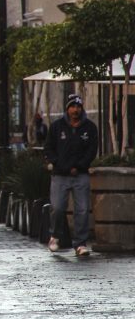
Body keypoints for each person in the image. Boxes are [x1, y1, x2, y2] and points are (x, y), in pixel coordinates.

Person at [44, 94, 98, 257]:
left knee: (82, 209)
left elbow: (91, 150)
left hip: (80, 174)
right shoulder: (56, 127)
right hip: (60, 175)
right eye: (73, 106)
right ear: (67, 108)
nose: (76, 110)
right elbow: (49, 148)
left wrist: (80, 166)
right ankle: (55, 236)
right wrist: (60, 164)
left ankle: (80, 243)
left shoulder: (89, 127)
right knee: (58, 207)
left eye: (78, 107)